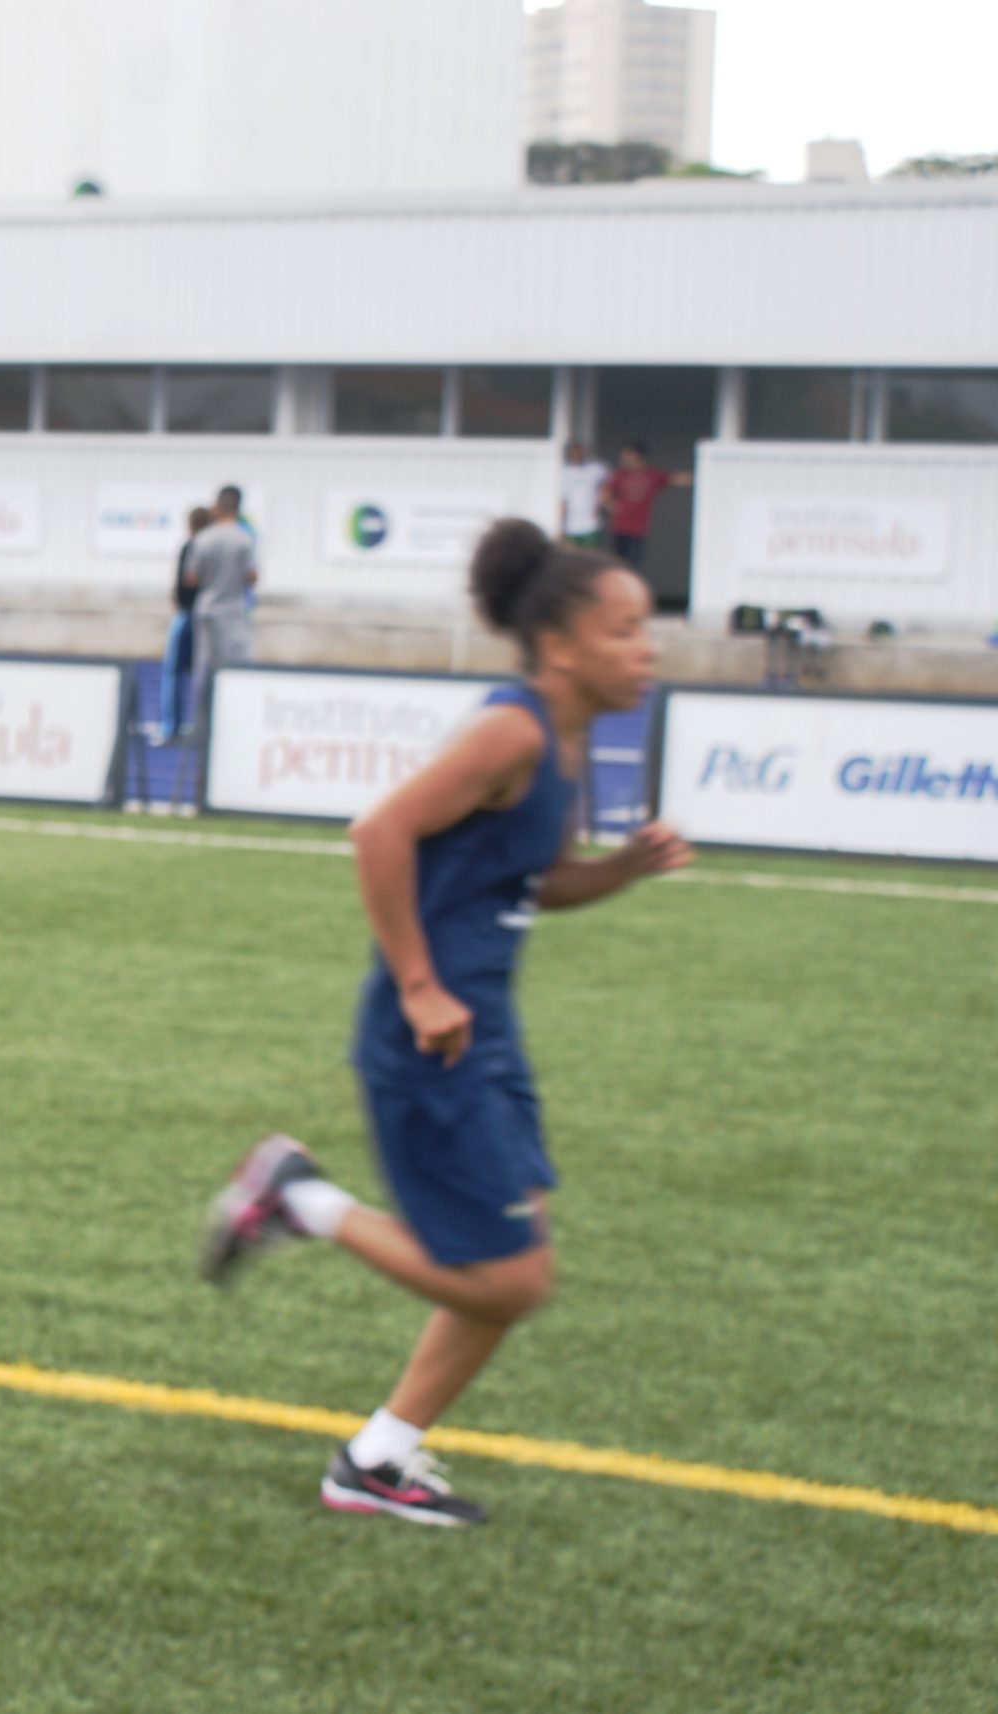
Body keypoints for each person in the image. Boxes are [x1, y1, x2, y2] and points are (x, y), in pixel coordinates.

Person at [198, 519, 692, 1526]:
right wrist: (420, 985)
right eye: (626, 629)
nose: (649, 649)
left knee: (512, 1261)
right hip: (432, 1036)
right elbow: (378, 830)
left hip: (483, 1030)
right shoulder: (512, 729)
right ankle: (300, 1201)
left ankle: (378, 1457)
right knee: (511, 1281)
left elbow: (535, 878)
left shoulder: (566, 735)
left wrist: (621, 869)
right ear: (558, 645)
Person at [185, 484, 258, 741]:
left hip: (207, 609)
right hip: (233, 610)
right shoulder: (244, 538)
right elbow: (252, 577)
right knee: (238, 667)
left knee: (203, 669)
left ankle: (201, 725)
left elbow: (192, 578)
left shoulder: (205, 539)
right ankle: (238, 723)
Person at [156, 504, 214, 740]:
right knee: (197, 672)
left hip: (188, 614)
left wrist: (181, 602)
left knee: (174, 671)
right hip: (202, 615)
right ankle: (196, 724)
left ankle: (171, 726)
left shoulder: (194, 547)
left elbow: (186, 581)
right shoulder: (206, 547)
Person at [601, 439, 692, 567]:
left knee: (633, 563)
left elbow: (674, 479)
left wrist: (703, 475)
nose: (623, 459)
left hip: (639, 529)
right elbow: (604, 492)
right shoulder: (620, 475)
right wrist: (613, 506)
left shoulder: (652, 475)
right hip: (620, 527)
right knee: (618, 564)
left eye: (628, 455)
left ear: (638, 456)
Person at [557, 439, 607, 547]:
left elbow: (606, 488)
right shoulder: (565, 473)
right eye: (574, 451)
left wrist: (600, 507)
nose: (577, 454)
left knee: (590, 555)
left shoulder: (596, 469)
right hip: (571, 525)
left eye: (579, 451)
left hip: (591, 524)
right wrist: (561, 525)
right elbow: (563, 500)